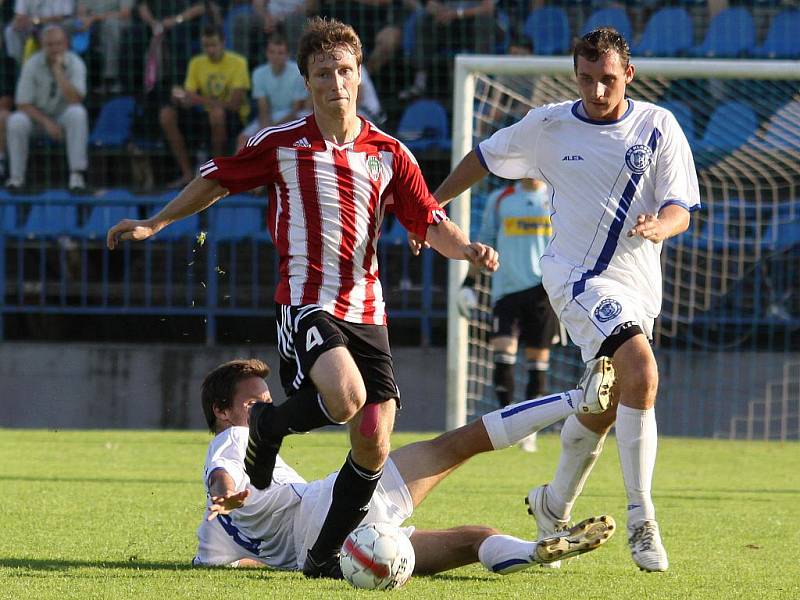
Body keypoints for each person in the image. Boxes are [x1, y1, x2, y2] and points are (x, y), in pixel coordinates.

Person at [107, 17, 499, 580]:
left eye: (345, 70)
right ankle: (266, 428)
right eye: (323, 72)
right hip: (306, 300)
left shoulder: (390, 153)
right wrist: (155, 222)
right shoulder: (282, 143)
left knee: (373, 440)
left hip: (369, 311)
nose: (336, 81)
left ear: (358, 75)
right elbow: (216, 180)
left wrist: (468, 250)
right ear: (306, 81)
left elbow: (429, 220)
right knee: (343, 398)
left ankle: (321, 558)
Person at [416, 28, 700, 572]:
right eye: (587, 79)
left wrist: (661, 226)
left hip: (637, 283)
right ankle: (642, 519)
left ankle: (553, 504)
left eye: (608, 80)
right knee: (641, 370)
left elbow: (681, 206)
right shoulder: (548, 124)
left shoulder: (657, 126)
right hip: (574, 278)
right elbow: (484, 156)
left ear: (629, 76)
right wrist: (428, 207)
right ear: (576, 75)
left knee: (607, 398)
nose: (596, 91)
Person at [192, 357, 617, 574]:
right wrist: (221, 489)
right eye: (253, 405)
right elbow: (222, 470)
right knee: (457, 444)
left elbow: (222, 562)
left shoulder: (213, 536)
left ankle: (533, 553)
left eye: (268, 403)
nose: (265, 412)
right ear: (222, 412)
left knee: (475, 541)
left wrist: (274, 559)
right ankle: (573, 400)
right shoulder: (235, 436)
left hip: (342, 556)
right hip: (336, 504)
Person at [458, 178, 558, 454]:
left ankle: (531, 431)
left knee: (538, 359)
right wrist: (469, 283)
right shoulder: (499, 199)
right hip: (506, 290)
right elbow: (485, 243)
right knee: (503, 350)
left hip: (543, 291)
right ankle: (508, 424)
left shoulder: (556, 196)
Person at [161, 24, 249, 187]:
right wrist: (180, 98)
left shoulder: (238, 63)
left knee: (217, 114)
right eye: (206, 46)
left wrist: (197, 99)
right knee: (167, 114)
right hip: (202, 115)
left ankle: (216, 172)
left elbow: (235, 105)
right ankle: (187, 173)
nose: (210, 50)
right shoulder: (196, 62)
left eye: (214, 45)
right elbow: (189, 98)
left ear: (224, 42)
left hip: (232, 119)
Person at [6, 24, 88, 192]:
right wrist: (46, 123)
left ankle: (77, 175)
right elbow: (22, 103)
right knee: (16, 120)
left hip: (63, 119)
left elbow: (76, 99)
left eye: (58, 44)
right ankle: (16, 178)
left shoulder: (76, 63)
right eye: (49, 44)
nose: (54, 48)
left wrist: (58, 72)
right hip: (37, 119)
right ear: (43, 45)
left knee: (78, 113)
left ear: (66, 44)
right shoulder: (32, 64)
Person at [235, 33, 308, 150]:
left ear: (287, 55)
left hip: (293, 116)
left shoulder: (297, 73)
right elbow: (263, 109)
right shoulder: (258, 73)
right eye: (272, 52)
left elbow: (296, 109)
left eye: (280, 53)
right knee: (242, 140)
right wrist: (266, 131)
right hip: (270, 116)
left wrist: (272, 131)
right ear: (267, 53)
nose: (275, 56)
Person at [75, 0, 134, 94]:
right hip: (93, 24)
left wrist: (94, 18)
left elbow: (125, 13)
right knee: (69, 25)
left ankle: (110, 80)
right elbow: (81, 9)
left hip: (117, 22)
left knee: (110, 25)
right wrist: (82, 20)